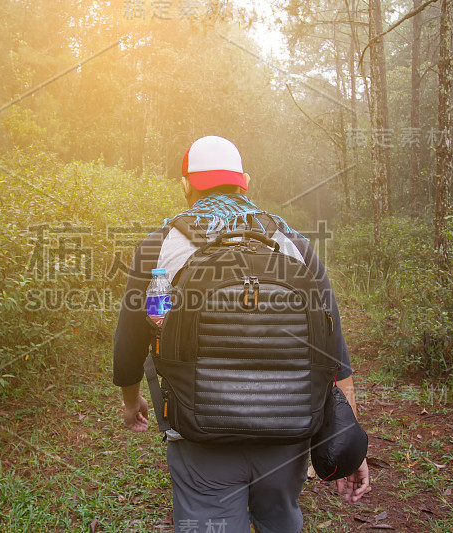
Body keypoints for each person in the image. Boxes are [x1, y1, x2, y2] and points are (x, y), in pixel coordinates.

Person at [113, 135, 370, 533]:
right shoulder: (295, 243)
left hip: (200, 434)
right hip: (288, 432)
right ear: (245, 181)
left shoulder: (159, 246)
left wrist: (132, 400)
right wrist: (347, 434)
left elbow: (131, 339)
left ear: (186, 185)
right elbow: (333, 351)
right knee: (279, 517)